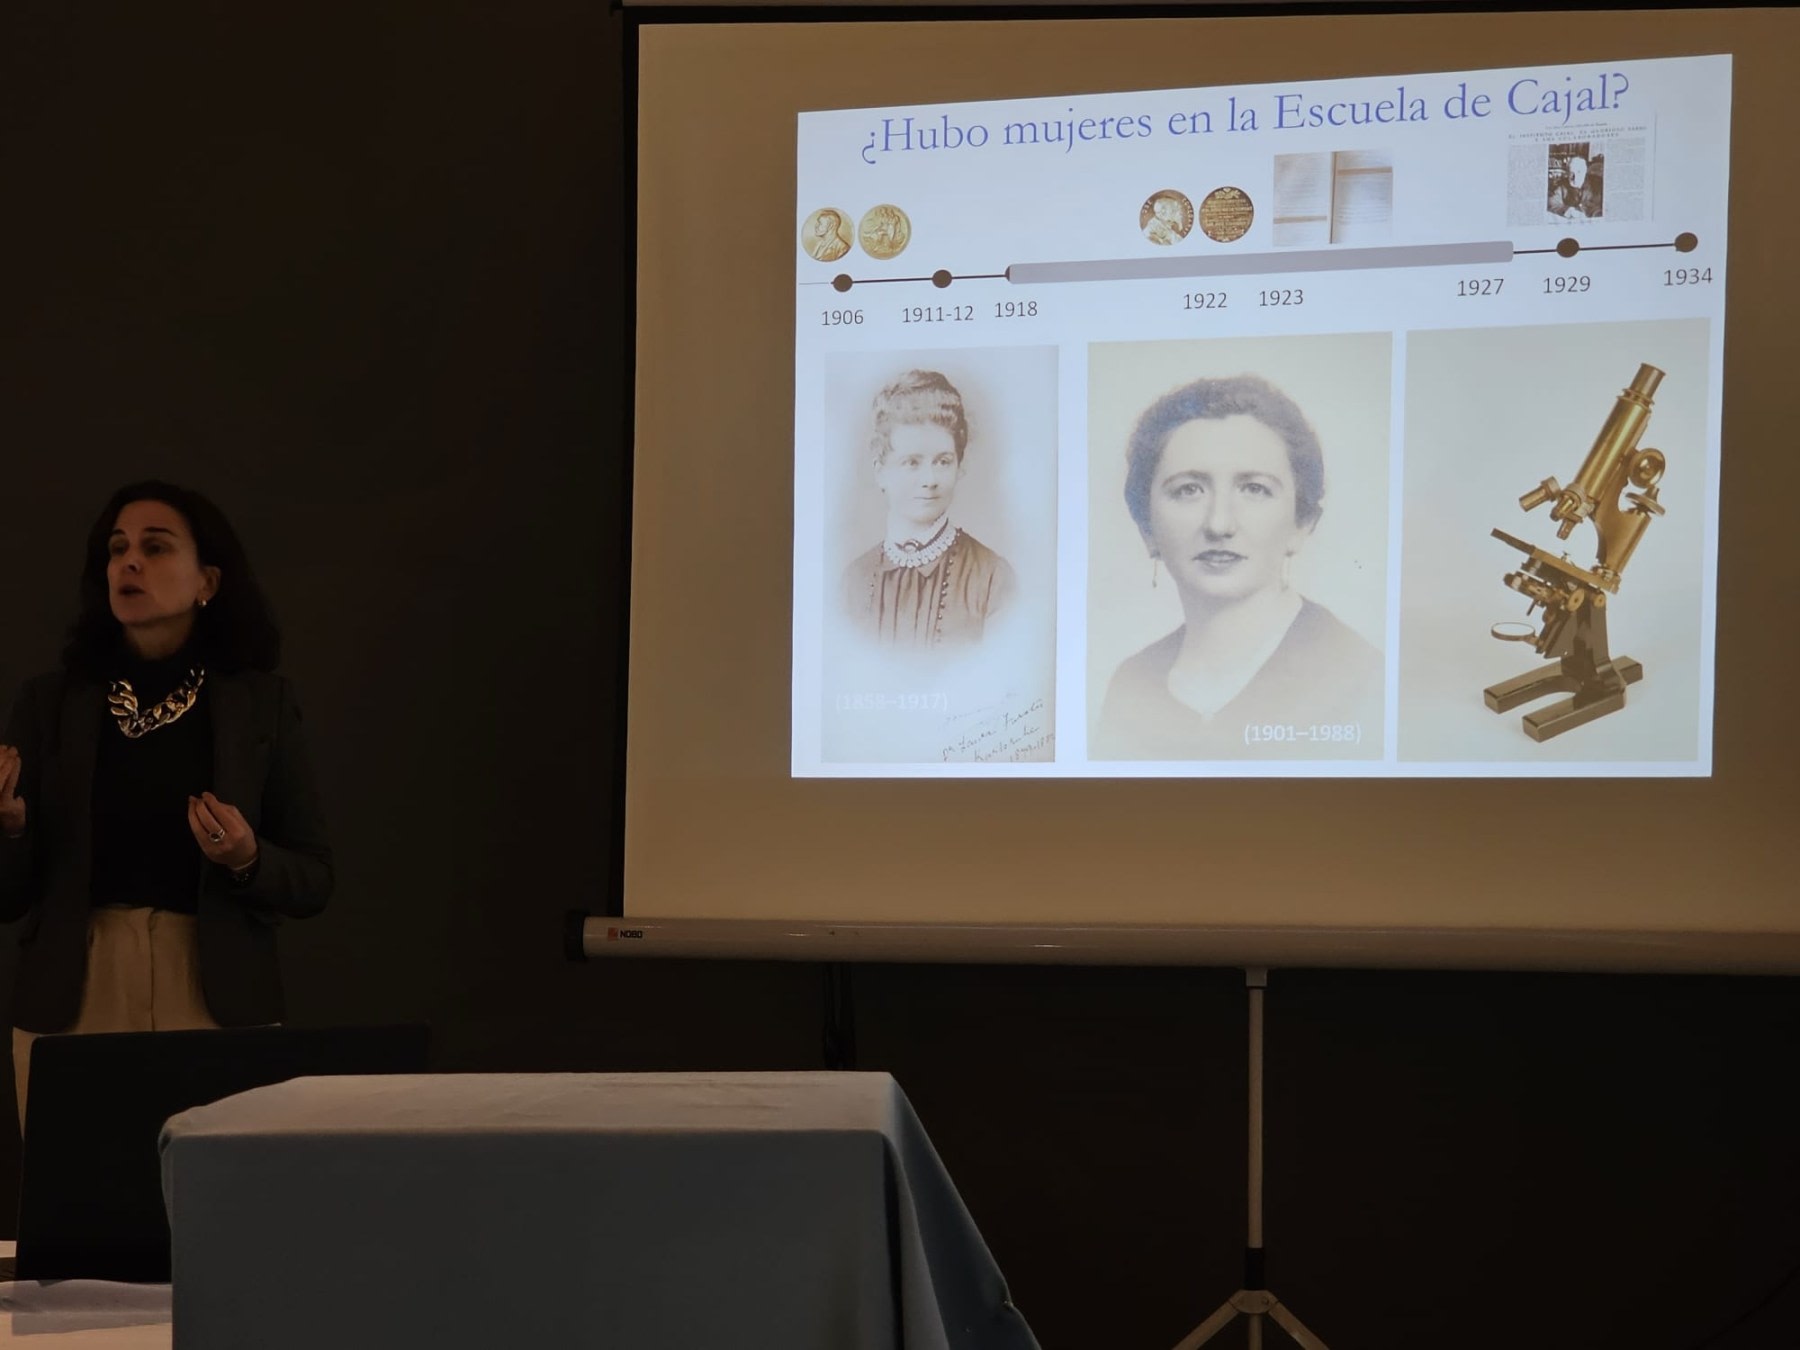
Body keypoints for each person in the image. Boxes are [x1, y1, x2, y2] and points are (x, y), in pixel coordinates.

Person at [0, 481, 333, 1126]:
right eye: (117, 548)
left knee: (219, 1211)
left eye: (155, 547)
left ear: (207, 580)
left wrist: (246, 858)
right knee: (80, 1214)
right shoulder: (49, 703)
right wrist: (10, 830)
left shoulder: (260, 705)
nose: (129, 562)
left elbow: (315, 879)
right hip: (78, 988)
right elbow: (8, 899)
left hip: (215, 992)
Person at [1093, 374, 1382, 759]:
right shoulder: (1132, 684)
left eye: (1254, 489)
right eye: (1188, 490)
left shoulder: (1359, 674)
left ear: (1301, 524)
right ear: (1147, 528)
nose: (1219, 524)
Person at [840, 370, 1016, 649]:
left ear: (960, 466)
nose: (930, 480)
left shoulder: (993, 577)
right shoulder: (852, 582)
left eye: (943, 461)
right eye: (912, 462)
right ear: (881, 471)